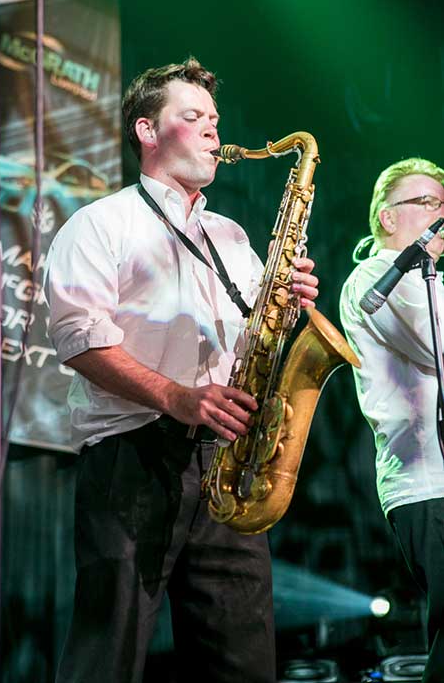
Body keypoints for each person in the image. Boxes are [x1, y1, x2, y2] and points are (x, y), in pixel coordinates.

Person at [45, 57, 318, 683]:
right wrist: (178, 397)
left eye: (214, 119)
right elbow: (78, 339)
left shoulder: (233, 236)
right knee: (106, 658)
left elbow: (256, 341)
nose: (213, 130)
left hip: (228, 461)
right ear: (147, 130)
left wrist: (288, 304)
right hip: (132, 457)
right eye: (192, 117)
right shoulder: (100, 223)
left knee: (243, 664)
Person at [340, 158, 444, 683]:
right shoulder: (378, 276)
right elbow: (436, 344)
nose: (440, 213)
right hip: (428, 481)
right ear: (387, 216)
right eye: (428, 202)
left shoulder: (431, 280)